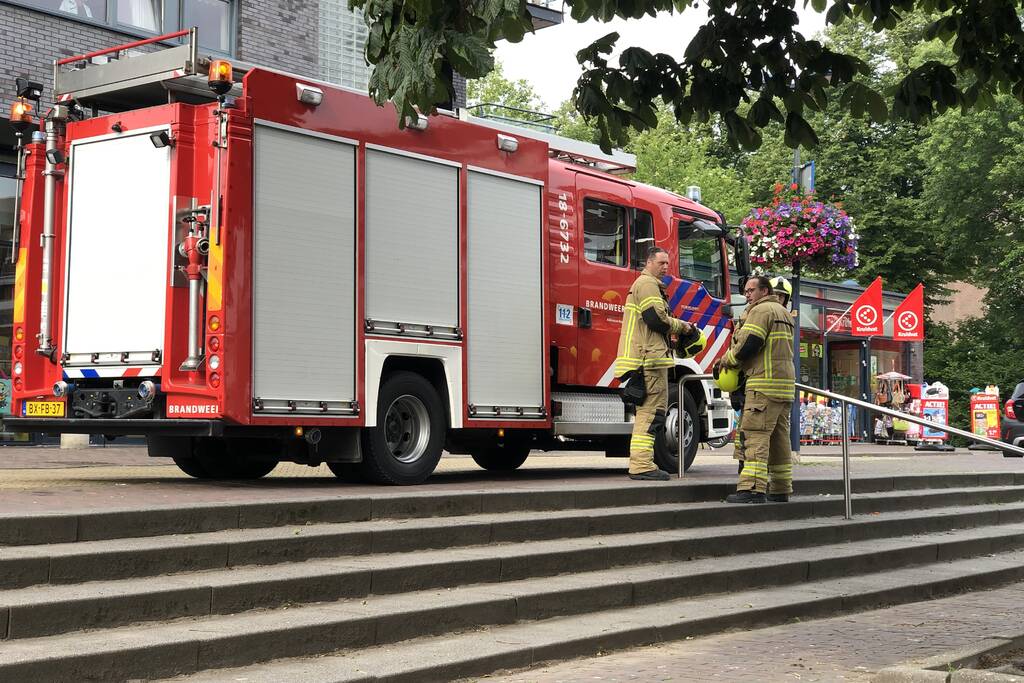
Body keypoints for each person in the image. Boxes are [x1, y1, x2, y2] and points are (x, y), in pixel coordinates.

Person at [614, 247, 696, 481]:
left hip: (647, 358)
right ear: (649, 262)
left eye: (667, 263)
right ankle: (641, 465)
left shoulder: (647, 285)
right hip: (648, 359)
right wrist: (683, 327)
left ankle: (641, 463)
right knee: (651, 414)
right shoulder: (648, 284)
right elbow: (655, 319)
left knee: (652, 413)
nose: (665, 267)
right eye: (661, 262)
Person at [717, 275, 795, 503]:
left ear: (764, 290)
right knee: (779, 439)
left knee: (755, 436)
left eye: (751, 290)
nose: (747, 295)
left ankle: (752, 489)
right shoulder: (783, 312)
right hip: (783, 387)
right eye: (746, 291)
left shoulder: (761, 311)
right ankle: (781, 488)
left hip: (763, 384)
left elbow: (749, 344)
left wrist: (727, 359)